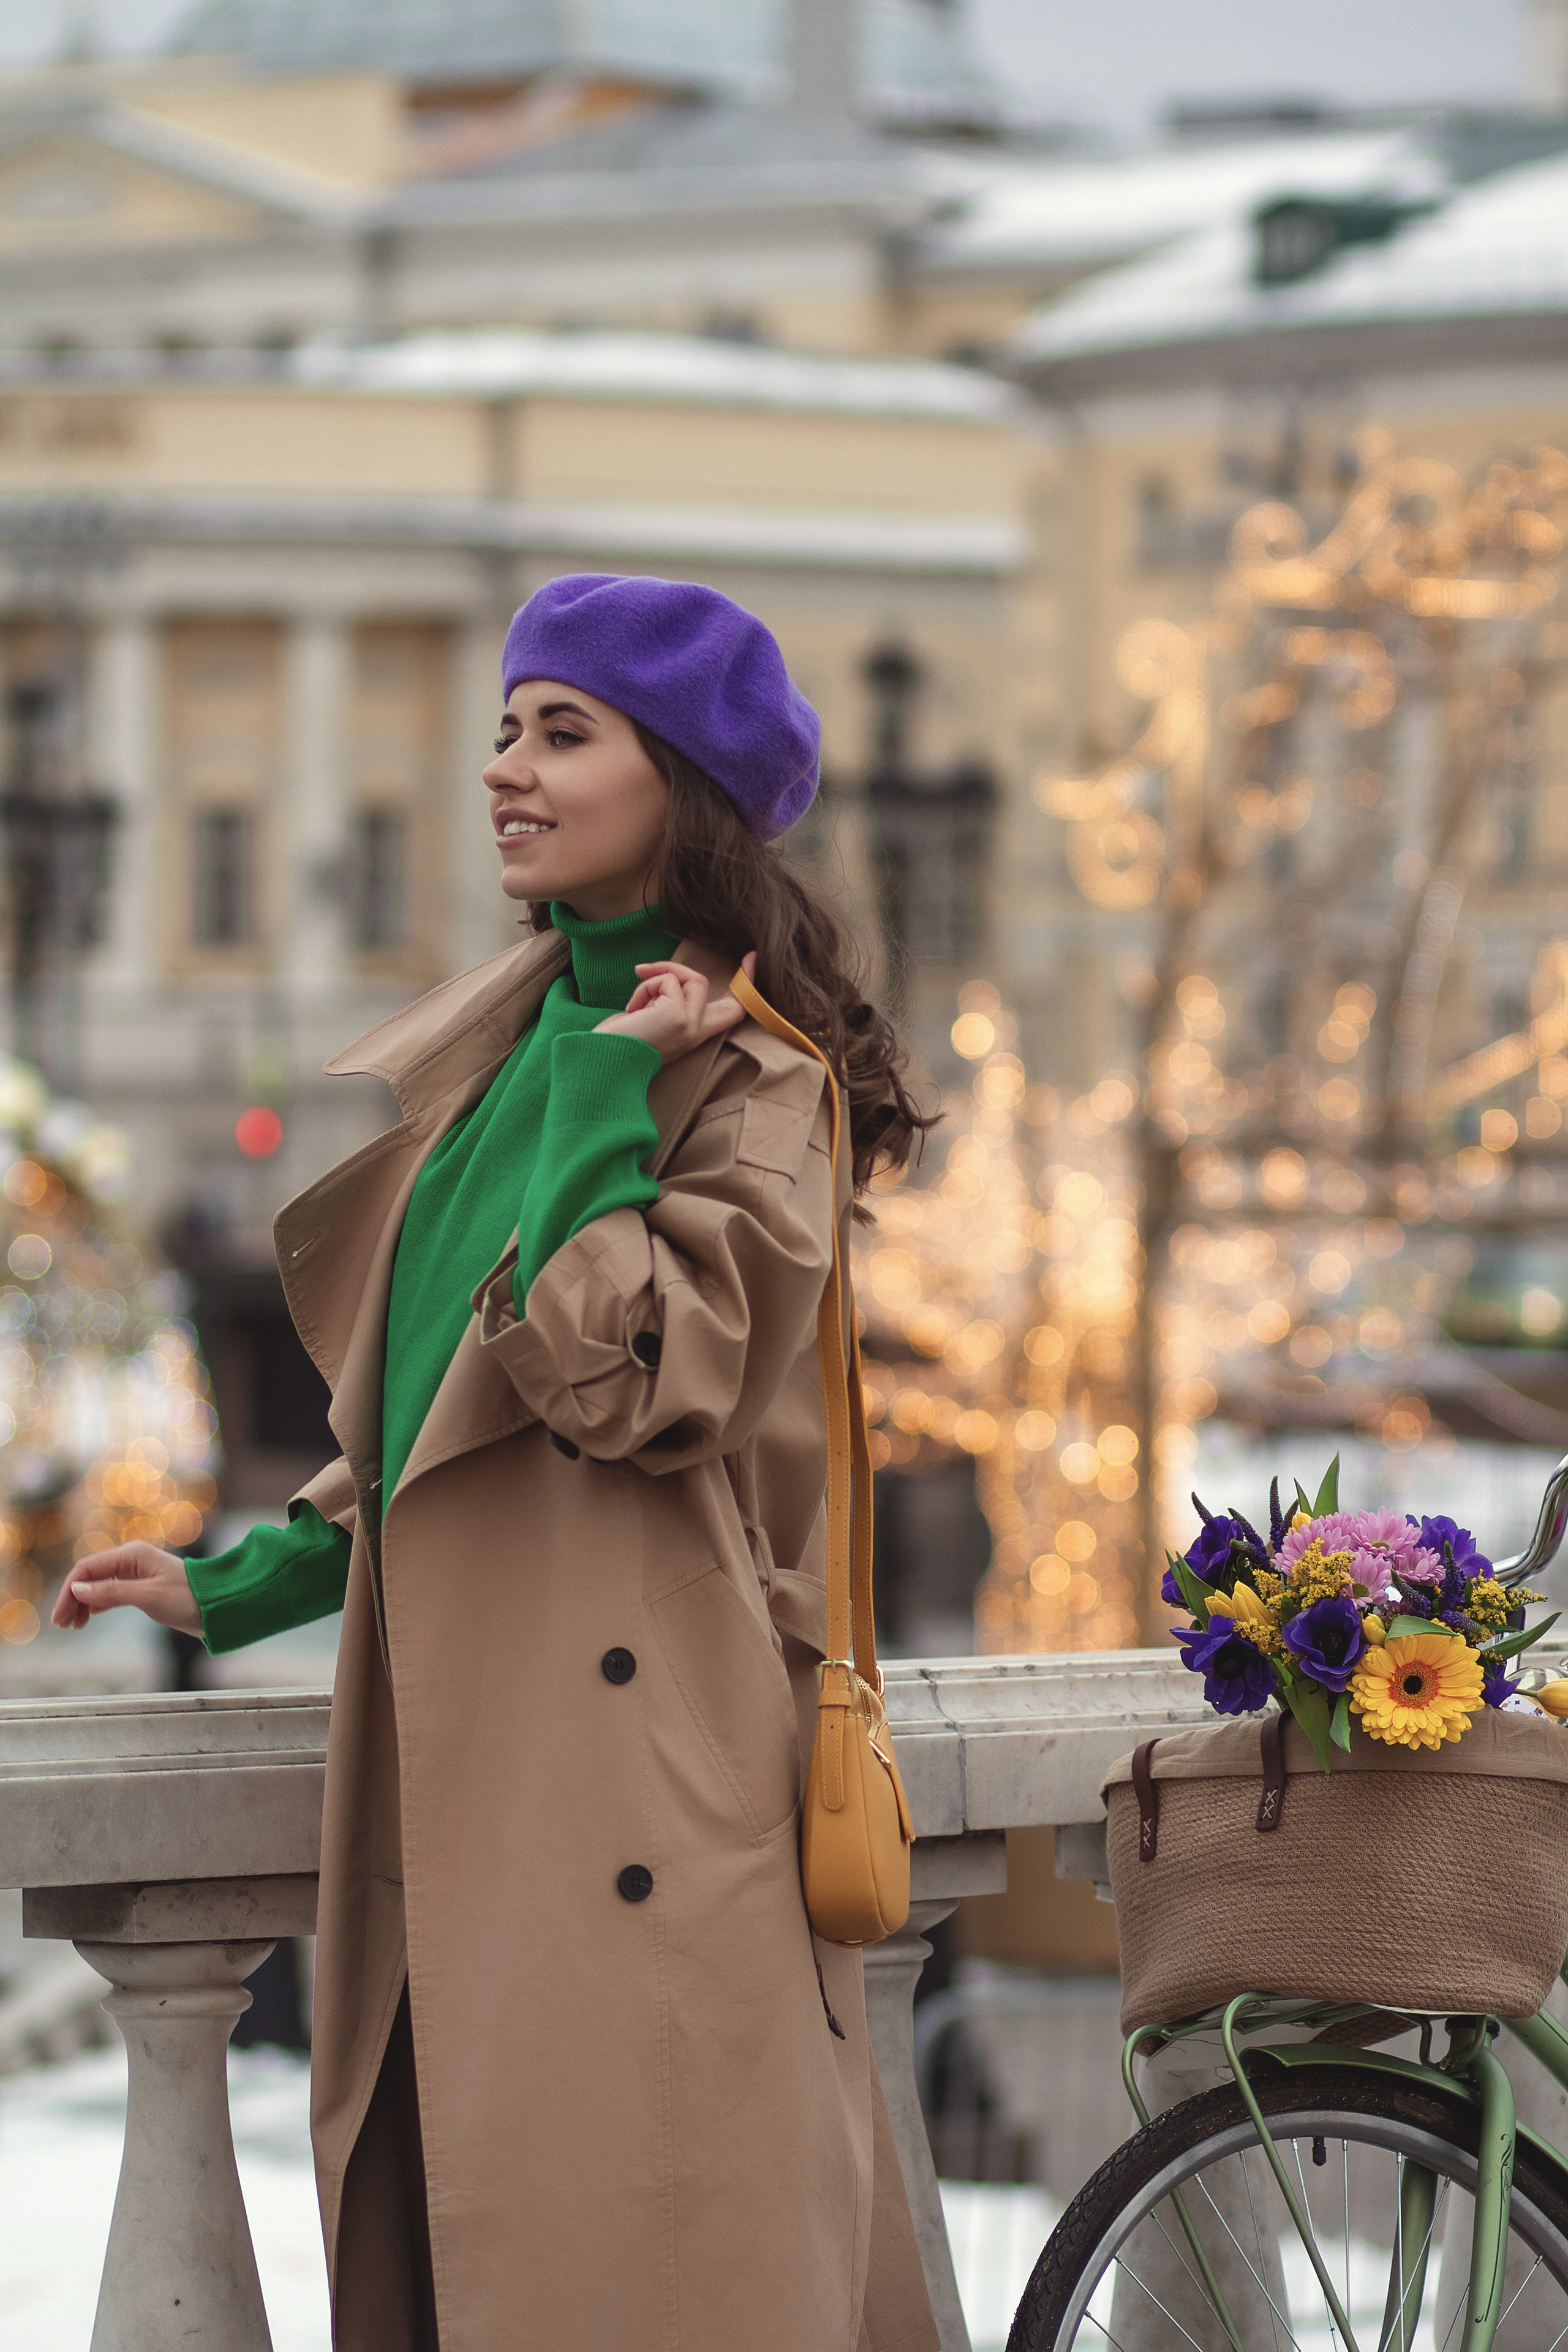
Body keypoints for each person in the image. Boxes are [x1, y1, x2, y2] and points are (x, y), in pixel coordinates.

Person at [55, 573, 941, 2352]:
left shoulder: (753, 1088)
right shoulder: (521, 1042)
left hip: (643, 1779)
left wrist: (613, 1090)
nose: (502, 770)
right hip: (464, 1766)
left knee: (640, 2274)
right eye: (505, 729)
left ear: (676, 781)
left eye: (562, 731)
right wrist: (245, 1577)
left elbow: (635, 1386)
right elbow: (442, 1412)